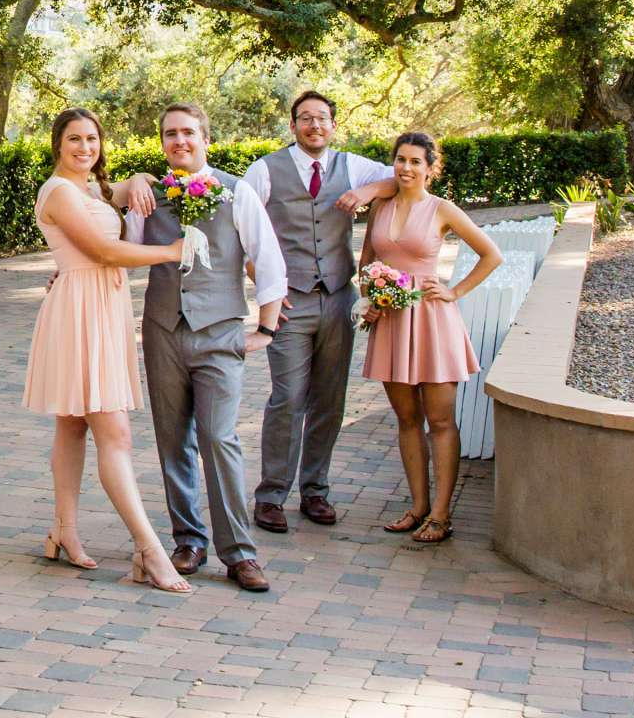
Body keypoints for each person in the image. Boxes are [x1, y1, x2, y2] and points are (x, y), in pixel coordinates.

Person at [117, 102, 286, 592]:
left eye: (188, 132)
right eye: (170, 134)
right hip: (162, 330)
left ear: (206, 138)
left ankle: (239, 553)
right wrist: (132, 190)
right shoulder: (151, 196)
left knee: (219, 438)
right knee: (173, 439)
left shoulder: (237, 192)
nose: (179, 141)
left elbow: (269, 264)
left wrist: (266, 331)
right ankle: (188, 540)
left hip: (219, 332)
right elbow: (123, 252)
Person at [21, 109, 190, 592]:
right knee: (114, 434)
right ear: (57, 144)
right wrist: (172, 251)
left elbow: (119, 192)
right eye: (74, 139)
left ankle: (64, 531)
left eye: (92, 139)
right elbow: (104, 252)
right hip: (81, 312)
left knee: (73, 424)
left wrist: (136, 175)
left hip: (101, 309)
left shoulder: (92, 188)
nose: (84, 147)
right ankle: (149, 550)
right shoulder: (58, 192)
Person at [243, 90, 394, 535]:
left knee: (329, 400)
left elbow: (404, 179)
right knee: (287, 398)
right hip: (290, 302)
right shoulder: (265, 169)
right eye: (305, 119)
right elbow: (241, 230)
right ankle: (271, 495)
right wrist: (265, 285)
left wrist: (366, 190)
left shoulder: (353, 167)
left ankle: (315, 490)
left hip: (339, 298)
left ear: (333, 125)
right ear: (293, 126)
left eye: (322, 118)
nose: (314, 126)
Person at [361, 132, 502, 546]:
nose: (406, 168)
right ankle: (417, 506)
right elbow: (367, 266)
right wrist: (368, 300)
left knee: (440, 420)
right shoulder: (380, 208)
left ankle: (441, 515)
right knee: (406, 419)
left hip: (431, 321)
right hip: (390, 322)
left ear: (430, 168)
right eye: (400, 160)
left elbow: (491, 254)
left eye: (415, 162)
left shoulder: (442, 209)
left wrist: (454, 291)